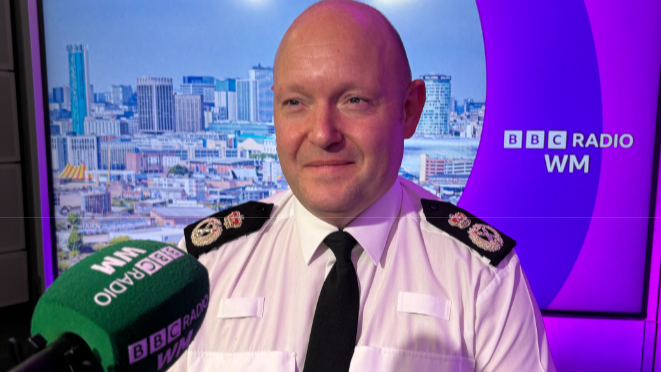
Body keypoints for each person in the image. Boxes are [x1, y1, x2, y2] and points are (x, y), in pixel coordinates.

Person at [170, 0, 555, 371]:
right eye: (295, 103)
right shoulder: (203, 267)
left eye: (354, 100)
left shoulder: (481, 279)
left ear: (409, 111)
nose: (322, 133)